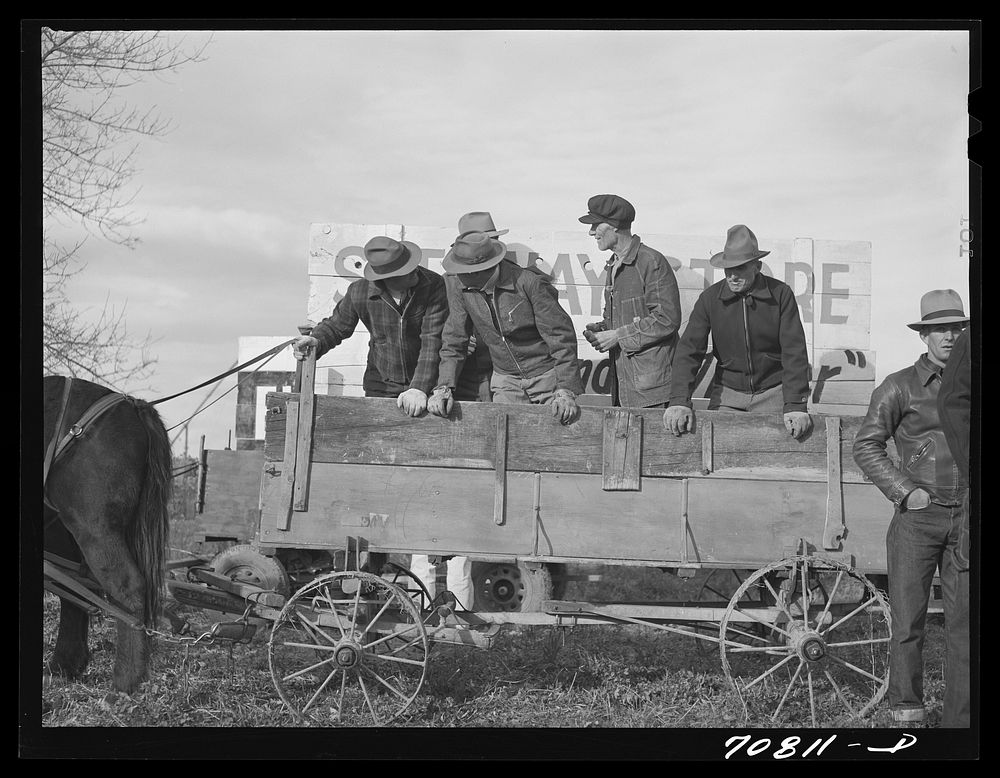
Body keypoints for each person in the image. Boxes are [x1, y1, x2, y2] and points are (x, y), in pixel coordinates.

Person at [853, 289, 970, 727]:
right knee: (908, 620)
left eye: (959, 327)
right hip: (918, 519)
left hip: (967, 519)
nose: (951, 336)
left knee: (964, 625)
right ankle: (907, 712)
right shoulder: (900, 385)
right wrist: (906, 491)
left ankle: (960, 722)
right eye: (941, 328)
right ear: (925, 336)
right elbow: (866, 444)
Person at [663, 224, 813, 440]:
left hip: (774, 393)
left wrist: (796, 404)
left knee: (772, 461)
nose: (732, 276)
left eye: (740, 268)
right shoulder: (710, 299)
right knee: (715, 457)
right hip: (728, 395)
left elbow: (794, 351)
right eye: (728, 269)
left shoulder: (780, 295)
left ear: (757, 266)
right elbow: (689, 351)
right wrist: (678, 400)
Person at [428, 231, 582, 423]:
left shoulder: (529, 283)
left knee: (556, 440)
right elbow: (454, 339)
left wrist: (566, 388)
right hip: (505, 378)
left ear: (478, 271)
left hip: (547, 375)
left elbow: (560, 336)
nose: (454, 275)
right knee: (505, 439)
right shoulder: (461, 290)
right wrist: (443, 387)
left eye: (460, 271)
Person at [579, 194, 681, 408]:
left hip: (654, 393)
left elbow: (666, 319)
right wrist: (602, 329)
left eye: (596, 225)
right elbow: (630, 317)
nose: (591, 232)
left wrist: (617, 335)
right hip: (625, 389)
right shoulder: (615, 263)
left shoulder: (651, 261)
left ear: (614, 225)